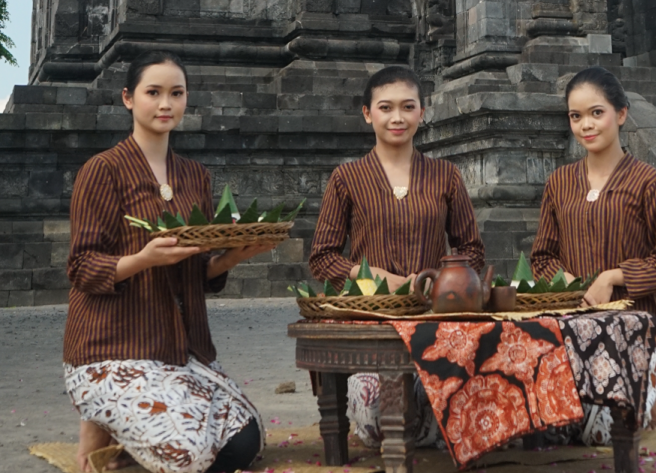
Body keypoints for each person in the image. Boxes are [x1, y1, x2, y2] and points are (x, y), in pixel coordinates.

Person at [64, 51, 275, 473]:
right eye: (153, 93)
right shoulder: (102, 170)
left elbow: (195, 273)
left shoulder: (196, 176)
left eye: (175, 94)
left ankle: (124, 435)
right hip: (113, 348)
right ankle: (99, 418)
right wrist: (142, 259)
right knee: (190, 456)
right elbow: (83, 267)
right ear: (128, 98)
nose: (165, 104)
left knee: (245, 443)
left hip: (179, 351)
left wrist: (231, 257)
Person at [308, 66, 485, 447]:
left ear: (422, 112)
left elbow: (471, 251)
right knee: (376, 423)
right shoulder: (347, 178)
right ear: (367, 113)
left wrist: (441, 282)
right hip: (372, 321)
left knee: (452, 413)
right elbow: (322, 257)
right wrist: (371, 278)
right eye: (386, 108)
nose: (397, 118)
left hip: (435, 323)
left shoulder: (446, 176)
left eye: (408, 107)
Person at [531, 66, 656, 443]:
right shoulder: (559, 183)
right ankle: (643, 398)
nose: (586, 124)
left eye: (596, 113)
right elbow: (541, 257)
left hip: (638, 329)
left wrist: (612, 277)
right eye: (576, 116)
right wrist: (566, 282)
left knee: (597, 433)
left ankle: (648, 385)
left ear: (621, 114)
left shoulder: (647, 182)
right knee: (551, 429)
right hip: (573, 329)